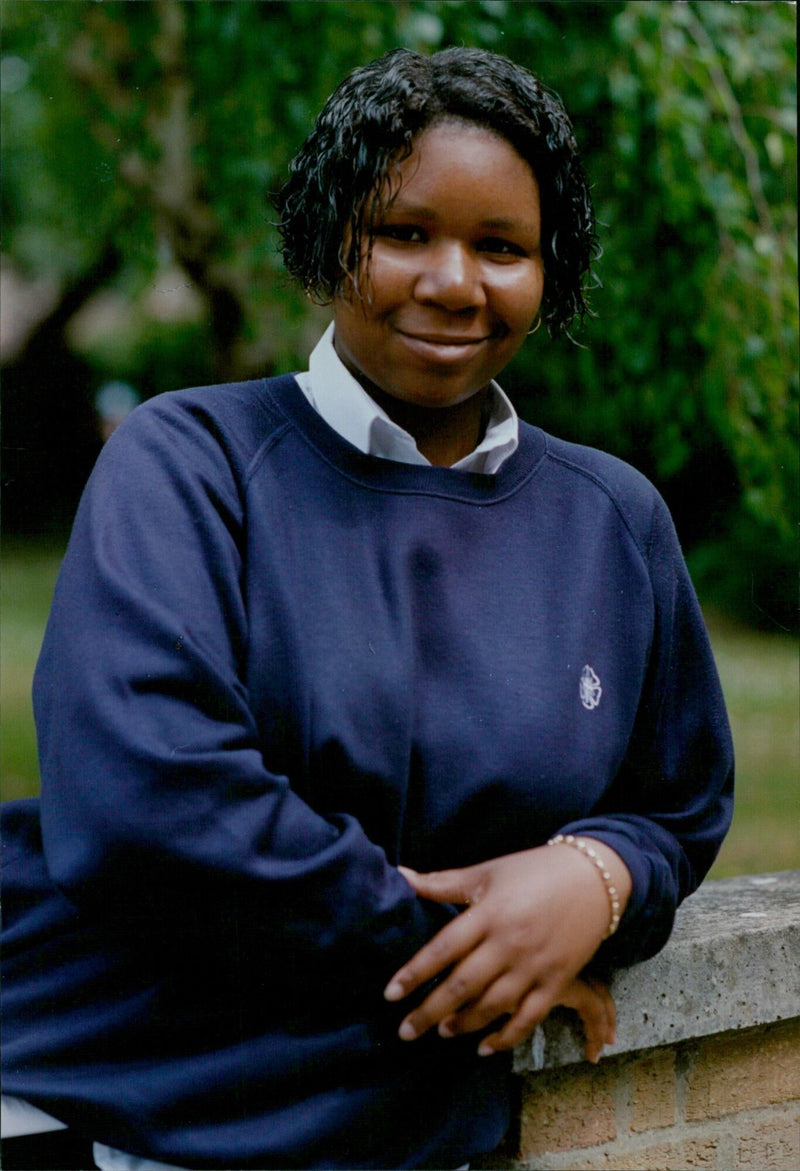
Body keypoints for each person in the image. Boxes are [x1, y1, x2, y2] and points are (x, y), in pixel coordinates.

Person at [1, 47, 733, 1171]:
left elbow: (676, 803)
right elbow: (147, 799)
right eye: (403, 233)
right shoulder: (190, 463)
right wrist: (479, 945)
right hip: (153, 1119)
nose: (452, 281)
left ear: (552, 270)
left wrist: (595, 879)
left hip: (433, 1138)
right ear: (326, 236)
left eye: (501, 247)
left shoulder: (609, 520)